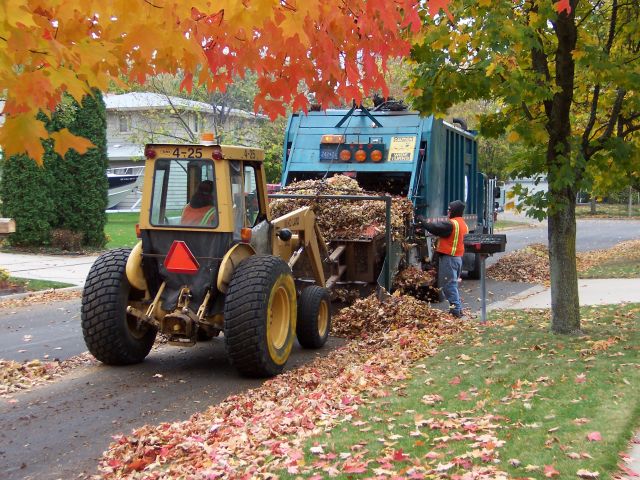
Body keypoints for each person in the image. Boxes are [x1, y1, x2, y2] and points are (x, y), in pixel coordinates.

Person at [417, 200, 469, 318]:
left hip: (450, 259)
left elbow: (434, 228)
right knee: (453, 284)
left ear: (454, 211)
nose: (448, 211)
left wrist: (422, 220)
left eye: (450, 209)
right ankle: (458, 309)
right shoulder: (463, 224)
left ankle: (455, 311)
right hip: (457, 258)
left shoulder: (451, 224)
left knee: (449, 286)